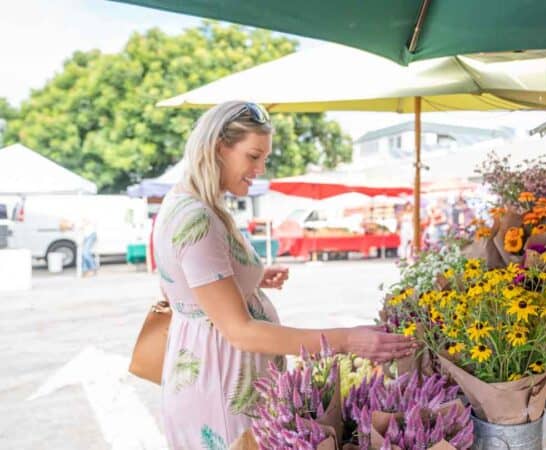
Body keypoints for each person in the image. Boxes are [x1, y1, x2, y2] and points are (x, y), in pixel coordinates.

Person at [152, 101, 416, 449]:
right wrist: (348, 341)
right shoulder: (197, 218)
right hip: (220, 391)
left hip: (213, 380)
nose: (260, 168)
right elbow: (241, 333)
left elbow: (185, 282)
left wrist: (248, 279)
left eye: (264, 158)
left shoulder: (183, 200)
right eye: (253, 156)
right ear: (218, 147)